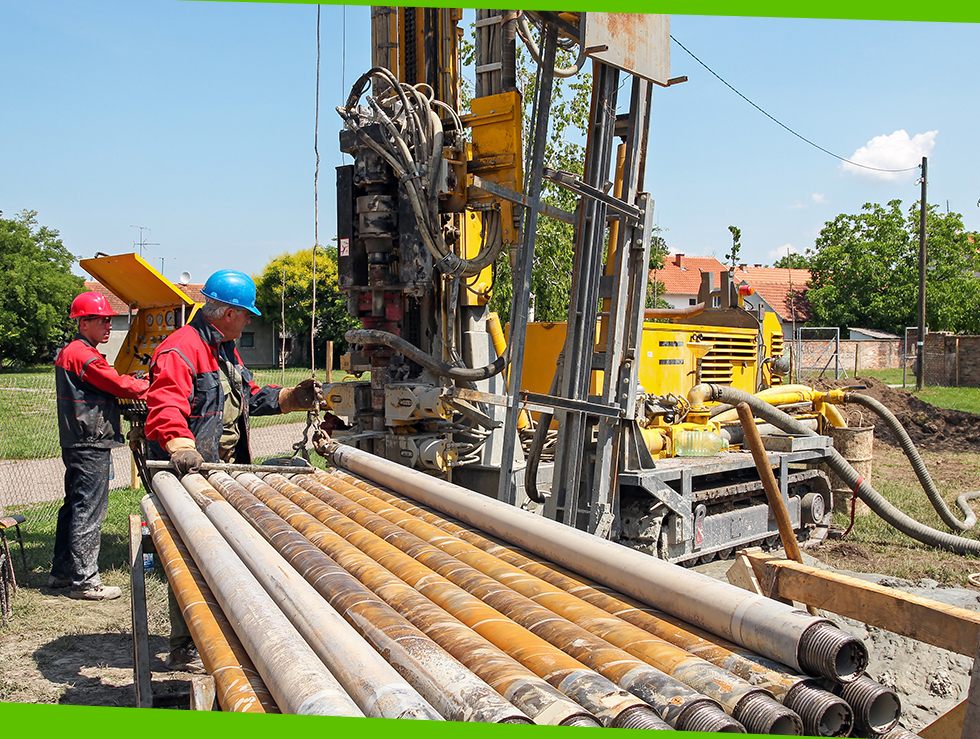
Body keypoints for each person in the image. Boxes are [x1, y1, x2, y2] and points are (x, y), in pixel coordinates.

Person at [144, 269, 319, 671]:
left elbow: (248, 397)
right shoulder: (181, 350)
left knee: (222, 551)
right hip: (187, 468)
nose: (249, 321)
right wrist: (181, 445)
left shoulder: (224, 350)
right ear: (228, 313)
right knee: (190, 555)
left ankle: (221, 630)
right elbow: (166, 405)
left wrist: (292, 397)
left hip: (218, 468)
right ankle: (185, 643)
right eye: (246, 314)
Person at [51, 291, 150, 600]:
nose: (109, 325)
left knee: (74, 505)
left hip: (79, 439)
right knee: (89, 510)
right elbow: (119, 385)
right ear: (83, 324)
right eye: (102, 320)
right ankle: (85, 581)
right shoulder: (83, 354)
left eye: (109, 320)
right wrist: (151, 385)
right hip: (89, 440)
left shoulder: (75, 351)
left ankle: (62, 572)